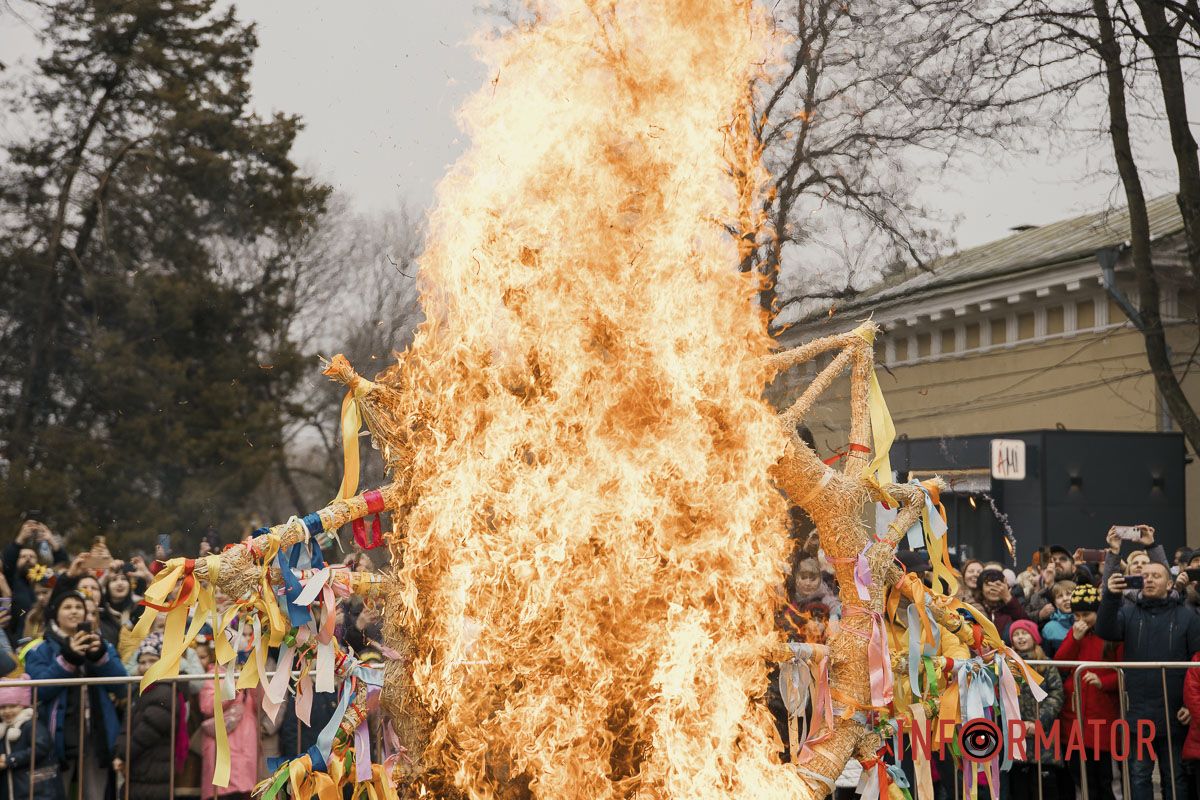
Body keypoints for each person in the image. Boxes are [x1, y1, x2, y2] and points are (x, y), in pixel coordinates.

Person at [1098, 561, 1200, 800]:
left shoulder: (1188, 616)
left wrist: (1189, 705)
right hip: (1138, 712)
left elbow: (1197, 664)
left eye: (1156, 575)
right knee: (1139, 774)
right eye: (1144, 576)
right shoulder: (1128, 611)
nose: (1150, 580)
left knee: (1174, 776)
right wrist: (1111, 597)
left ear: (1170, 583)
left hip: (1175, 712)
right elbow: (1105, 630)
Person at [24, 590, 126, 800]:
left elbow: (121, 685)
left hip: (95, 734)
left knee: (95, 794)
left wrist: (100, 658)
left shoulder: (102, 645)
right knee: (52, 793)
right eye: (67, 607)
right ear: (55, 614)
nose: (74, 612)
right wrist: (67, 660)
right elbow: (38, 691)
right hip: (55, 738)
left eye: (79, 607)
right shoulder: (40, 650)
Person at [1054, 583, 1121, 800]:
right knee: (1082, 779)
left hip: (1103, 719)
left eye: (1087, 614)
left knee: (1106, 779)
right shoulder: (1075, 634)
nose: (1082, 620)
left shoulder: (1112, 636)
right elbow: (1061, 664)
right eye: (1077, 615)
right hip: (1074, 720)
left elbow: (1124, 671)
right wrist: (1074, 639)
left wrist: (1104, 682)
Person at [113, 634, 185, 800]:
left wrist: (123, 755)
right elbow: (128, 726)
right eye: (142, 662)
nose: (146, 667)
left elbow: (146, 732)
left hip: (152, 774)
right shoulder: (143, 691)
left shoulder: (164, 692)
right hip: (142, 772)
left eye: (152, 661)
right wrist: (119, 753)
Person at [1005, 619, 1065, 800]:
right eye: (1016, 634)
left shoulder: (1046, 664)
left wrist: (1038, 721)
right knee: (1020, 786)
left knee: (1046, 786)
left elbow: (1057, 694)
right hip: (1017, 731)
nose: (1020, 637)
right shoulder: (1007, 664)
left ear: (1034, 637)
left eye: (1024, 633)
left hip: (1043, 731)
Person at [198, 664, 259, 800]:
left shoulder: (250, 672)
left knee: (245, 793)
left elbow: (262, 705)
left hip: (246, 749)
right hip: (222, 748)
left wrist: (256, 680)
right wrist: (234, 688)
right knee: (224, 792)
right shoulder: (214, 674)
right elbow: (207, 706)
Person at [0, 676, 62, 800]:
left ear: (23, 705)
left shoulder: (32, 725)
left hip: (37, 789)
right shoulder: (4, 729)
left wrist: (10, 759)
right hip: (15, 789)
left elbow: (40, 748)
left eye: (13, 706)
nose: (7, 711)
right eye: (2, 707)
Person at [974, 567, 1029, 640]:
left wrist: (1007, 597)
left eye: (998, 584)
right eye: (989, 585)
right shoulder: (975, 607)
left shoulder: (1014, 605)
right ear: (981, 589)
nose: (994, 588)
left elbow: (1028, 626)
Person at [1039, 580, 1075, 655]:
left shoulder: (1088, 622)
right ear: (1055, 603)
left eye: (1069, 594)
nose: (1065, 599)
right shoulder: (1049, 628)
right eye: (1060, 596)